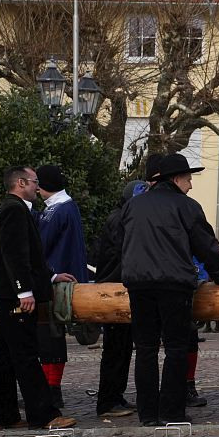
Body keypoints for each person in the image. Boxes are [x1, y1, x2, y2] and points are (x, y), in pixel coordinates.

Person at [116, 153, 219, 426]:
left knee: (145, 349)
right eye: (188, 179)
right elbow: (206, 246)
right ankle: (171, 411)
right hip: (173, 284)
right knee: (176, 349)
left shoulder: (133, 205)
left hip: (138, 283)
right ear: (176, 179)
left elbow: (120, 240)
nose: (190, 185)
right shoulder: (186, 206)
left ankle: (147, 413)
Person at [0, 166, 76, 430]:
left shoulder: (13, 209)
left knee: (3, 355)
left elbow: (30, 255)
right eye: (35, 182)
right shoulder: (15, 210)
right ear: (21, 183)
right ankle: (44, 415)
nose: (38, 186)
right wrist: (24, 291)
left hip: (5, 293)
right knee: (25, 355)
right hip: (14, 295)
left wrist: (51, 276)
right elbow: (15, 254)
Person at [89, 179, 146, 418]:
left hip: (117, 285)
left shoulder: (122, 217)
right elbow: (126, 251)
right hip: (114, 289)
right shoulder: (121, 219)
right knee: (115, 349)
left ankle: (115, 396)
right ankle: (108, 400)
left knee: (122, 349)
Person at [35, 165, 89, 409]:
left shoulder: (54, 211)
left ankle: (50, 390)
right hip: (69, 277)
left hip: (56, 280)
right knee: (53, 337)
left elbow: (40, 247)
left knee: (49, 337)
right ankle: (51, 388)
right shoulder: (69, 206)